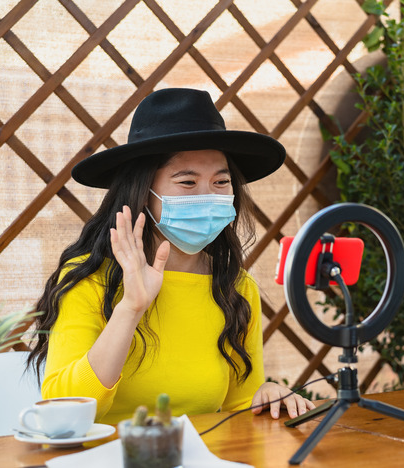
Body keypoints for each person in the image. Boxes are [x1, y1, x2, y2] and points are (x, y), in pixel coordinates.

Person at [27, 88, 314, 426]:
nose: (208, 195)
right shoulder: (88, 280)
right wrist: (131, 308)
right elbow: (63, 413)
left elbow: (239, 406)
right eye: (187, 182)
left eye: (221, 182)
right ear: (142, 192)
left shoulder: (236, 288)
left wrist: (264, 394)